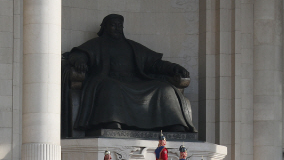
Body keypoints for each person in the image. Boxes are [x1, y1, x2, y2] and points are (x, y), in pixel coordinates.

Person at [64, 14, 195, 132]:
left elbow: (155, 64)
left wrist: (174, 68)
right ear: (105, 27)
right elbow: (78, 54)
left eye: (120, 25)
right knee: (112, 87)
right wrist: (79, 61)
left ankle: (174, 123)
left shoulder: (132, 46)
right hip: (107, 80)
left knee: (164, 89)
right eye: (113, 25)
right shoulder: (96, 44)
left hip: (135, 81)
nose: (117, 28)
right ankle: (112, 122)